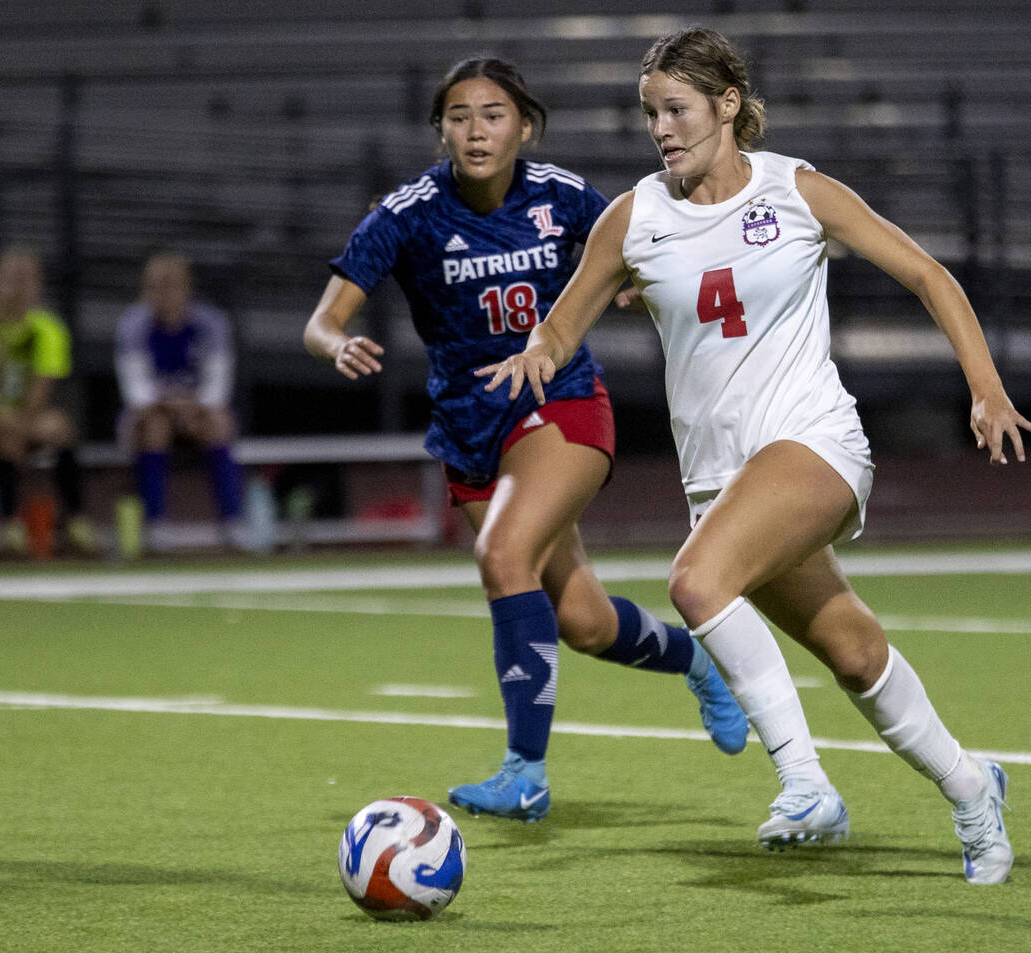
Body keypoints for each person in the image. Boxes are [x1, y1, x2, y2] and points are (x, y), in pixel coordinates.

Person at [480, 27, 1031, 883]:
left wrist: (985, 385)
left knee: (696, 582)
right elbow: (561, 324)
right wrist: (538, 353)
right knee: (855, 653)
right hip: (720, 484)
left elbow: (929, 274)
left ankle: (807, 782)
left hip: (813, 442)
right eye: (649, 114)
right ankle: (974, 792)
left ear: (729, 105)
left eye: (676, 109)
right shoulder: (634, 217)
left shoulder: (797, 188)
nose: (661, 128)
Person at [304, 56, 748, 822]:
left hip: (561, 400)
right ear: (440, 129)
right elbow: (322, 320)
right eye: (460, 115)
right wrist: (334, 345)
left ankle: (526, 773)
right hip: (469, 429)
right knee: (584, 622)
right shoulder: (407, 212)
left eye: (493, 114)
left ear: (526, 127)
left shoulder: (564, 195)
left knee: (503, 556)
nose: (476, 130)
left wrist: (653, 289)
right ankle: (698, 659)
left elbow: (642, 255)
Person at [0, 247, 98, 558]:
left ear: (38, 286)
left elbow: (40, 395)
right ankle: (11, 529)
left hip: (25, 421)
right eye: (11, 279)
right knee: (3, 438)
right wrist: (8, 423)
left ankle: (75, 523)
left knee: (61, 428)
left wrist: (22, 425)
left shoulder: (48, 330)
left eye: (26, 279)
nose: (18, 288)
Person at [115, 252, 244, 553]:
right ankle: (156, 526)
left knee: (218, 422)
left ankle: (233, 523)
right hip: (152, 415)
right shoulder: (135, 325)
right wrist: (171, 404)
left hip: (198, 414)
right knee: (154, 426)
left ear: (187, 288)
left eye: (171, 285)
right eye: (156, 286)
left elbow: (218, 386)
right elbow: (135, 390)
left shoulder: (210, 324)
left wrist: (192, 406)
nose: (164, 293)